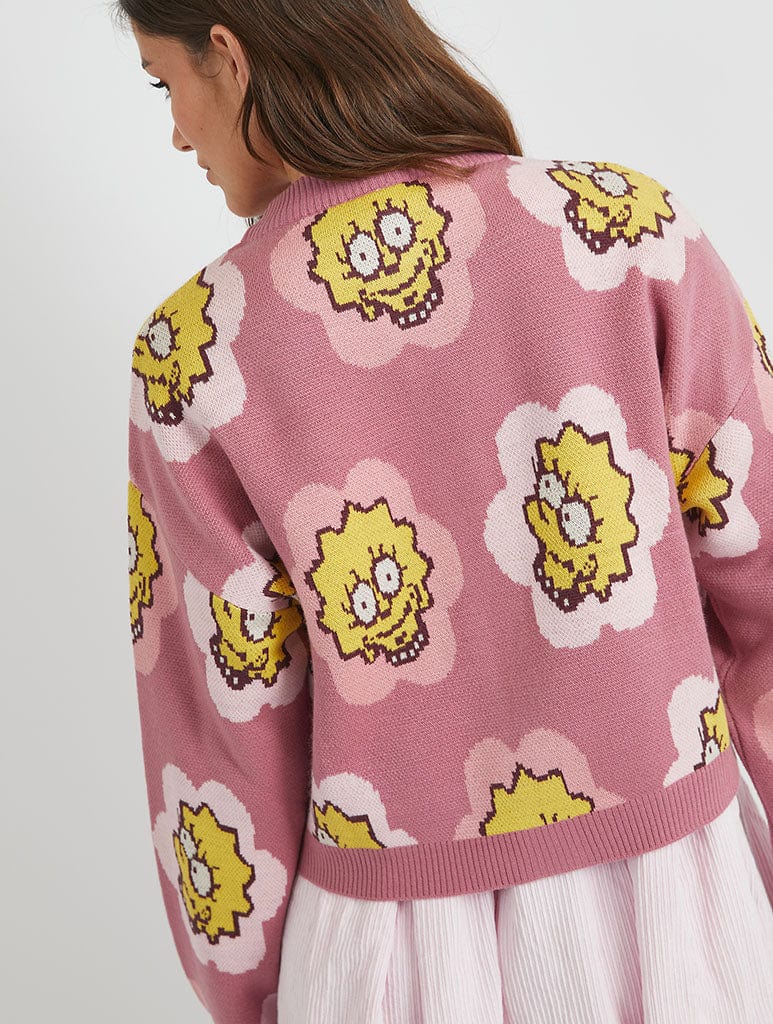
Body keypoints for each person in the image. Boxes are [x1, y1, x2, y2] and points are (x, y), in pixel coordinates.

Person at [114, 1, 773, 1021]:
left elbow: (221, 738)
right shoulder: (630, 232)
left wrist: (249, 992)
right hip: (677, 897)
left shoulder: (193, 355)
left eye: (166, 83)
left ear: (230, 57)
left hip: (388, 947)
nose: (172, 132)